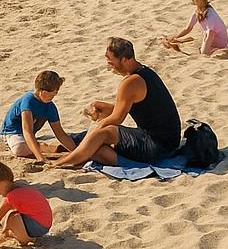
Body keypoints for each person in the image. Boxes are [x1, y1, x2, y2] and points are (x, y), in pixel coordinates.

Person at [49, 37, 182, 168]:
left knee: (104, 134)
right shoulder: (145, 72)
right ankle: (69, 153)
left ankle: (61, 163)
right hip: (170, 142)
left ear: (124, 60)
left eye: (111, 63)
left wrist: (96, 129)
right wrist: (100, 107)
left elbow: (117, 118)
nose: (109, 67)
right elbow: (128, 108)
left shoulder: (130, 82)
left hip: (159, 146)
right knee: (95, 146)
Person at [0, 159, 53, 247]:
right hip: (45, 223)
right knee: (10, 214)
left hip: (39, 227)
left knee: (13, 218)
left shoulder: (11, 197)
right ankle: (9, 233)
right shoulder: (19, 185)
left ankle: (25, 238)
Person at [0, 70, 76, 161]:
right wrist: (39, 157)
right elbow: (27, 131)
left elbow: (60, 133)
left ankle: (40, 147)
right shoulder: (28, 101)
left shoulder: (50, 106)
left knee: (70, 141)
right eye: (51, 95)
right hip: (13, 132)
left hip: (30, 134)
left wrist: (76, 151)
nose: (53, 97)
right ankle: (41, 150)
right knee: (20, 149)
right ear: (42, 92)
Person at [163, 0, 228, 56]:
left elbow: (211, 33)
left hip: (220, 42)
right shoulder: (198, 11)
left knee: (203, 52)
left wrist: (204, 51)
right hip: (210, 38)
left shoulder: (210, 14)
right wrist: (175, 37)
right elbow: (188, 28)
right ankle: (181, 41)